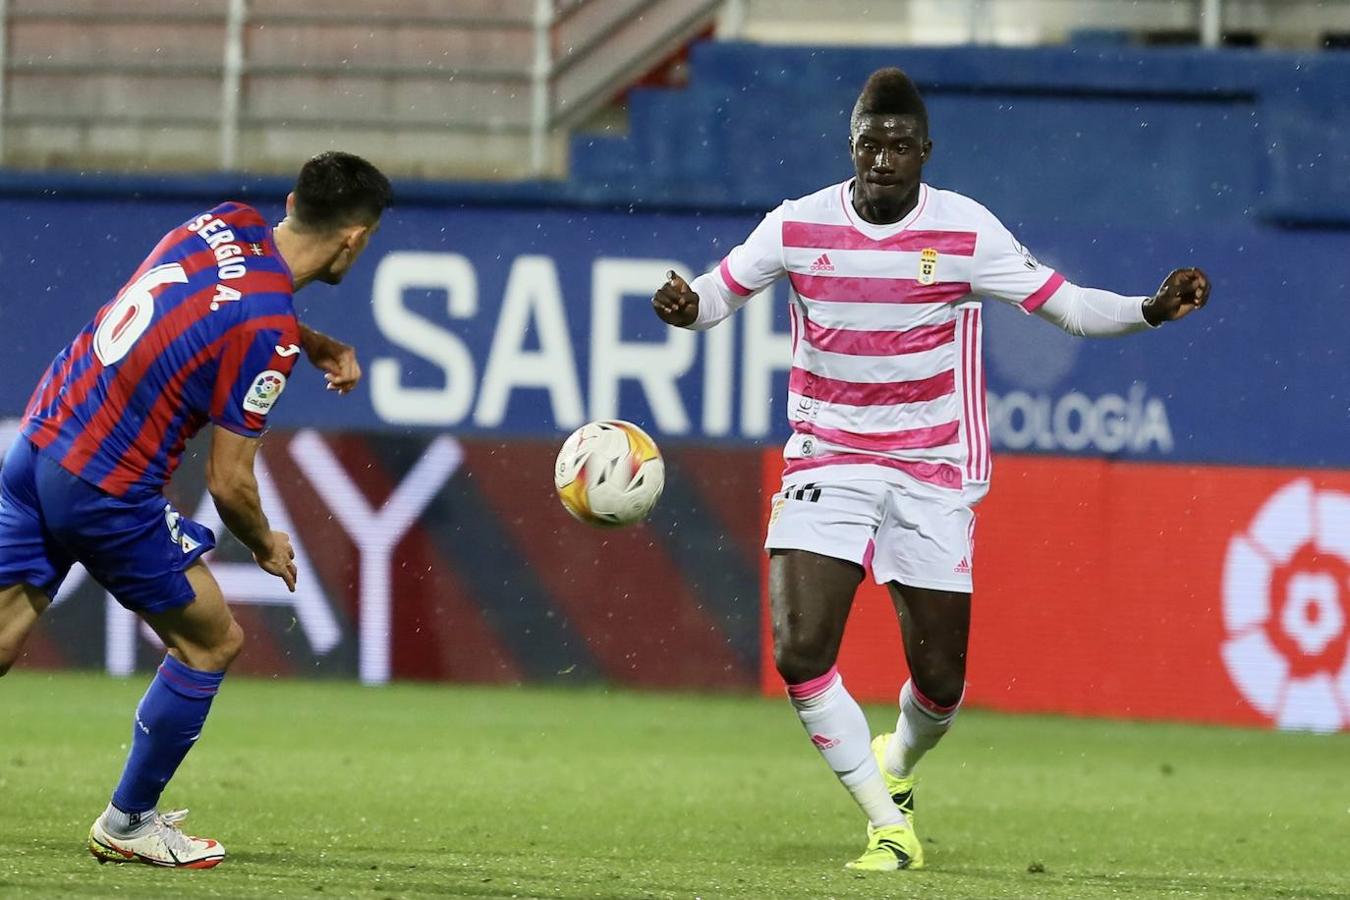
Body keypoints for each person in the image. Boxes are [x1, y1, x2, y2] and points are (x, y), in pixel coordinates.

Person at [652, 68, 1210, 872]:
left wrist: (1149, 309)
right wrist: (683, 305)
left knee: (941, 683)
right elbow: (712, 299)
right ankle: (888, 828)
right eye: (868, 144)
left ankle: (899, 763)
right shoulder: (796, 226)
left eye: (899, 145)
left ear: (925, 152)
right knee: (801, 652)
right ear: (851, 147)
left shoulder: (967, 232)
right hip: (828, 458)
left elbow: (1071, 309)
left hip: (930, 470)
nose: (882, 158)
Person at [0, 150, 391, 868]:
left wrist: (308, 340)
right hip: (106, 487)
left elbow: (228, 301)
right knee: (212, 641)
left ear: (290, 200)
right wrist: (268, 541)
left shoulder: (226, 224)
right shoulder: (267, 333)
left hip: (43, 438)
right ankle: (129, 823)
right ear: (354, 239)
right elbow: (230, 482)